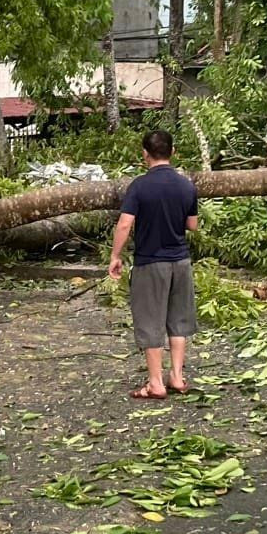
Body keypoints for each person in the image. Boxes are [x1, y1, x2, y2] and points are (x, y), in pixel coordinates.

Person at [107, 130, 200, 399]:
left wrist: (115, 256)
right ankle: (177, 377)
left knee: (151, 321)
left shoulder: (139, 186)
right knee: (178, 320)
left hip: (150, 262)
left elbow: (125, 224)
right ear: (173, 152)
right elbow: (192, 225)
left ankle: (156, 383)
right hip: (180, 261)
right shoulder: (186, 186)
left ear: (145, 154)